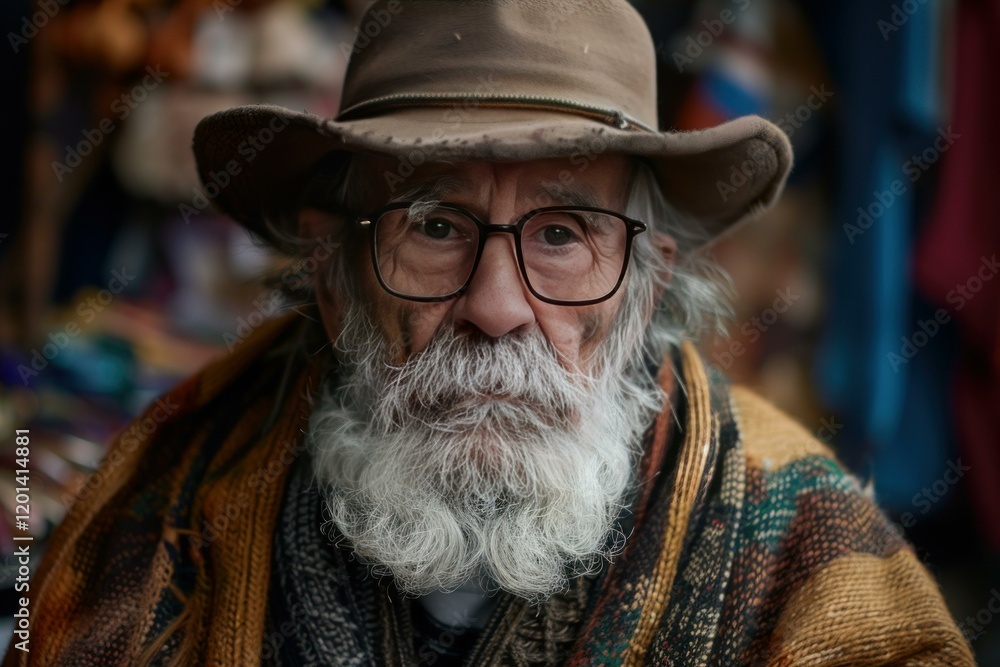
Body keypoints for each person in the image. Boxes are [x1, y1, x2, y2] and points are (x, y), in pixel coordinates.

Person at [9, 1, 974, 665]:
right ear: (337, 282)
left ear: (644, 290)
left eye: (561, 235)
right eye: (434, 225)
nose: (499, 305)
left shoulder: (816, 571)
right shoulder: (157, 519)